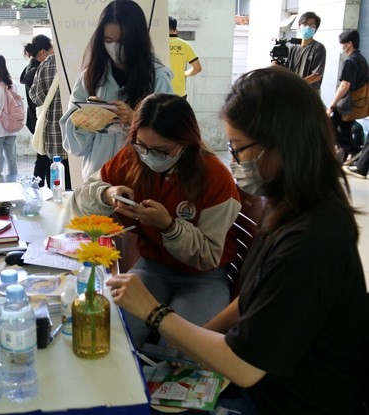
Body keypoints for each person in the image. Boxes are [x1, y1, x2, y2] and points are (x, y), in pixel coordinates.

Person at [107, 67, 369, 414]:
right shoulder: (292, 205)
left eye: (238, 148)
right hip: (265, 383)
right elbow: (256, 298)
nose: (234, 160)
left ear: (281, 144)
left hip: (290, 400)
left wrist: (154, 312)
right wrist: (187, 351)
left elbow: (243, 368)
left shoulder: (311, 241)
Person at [72, 93, 240, 349]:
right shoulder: (131, 158)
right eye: (142, 145)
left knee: (177, 348)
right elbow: (80, 200)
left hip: (203, 277)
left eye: (161, 150)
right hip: (152, 268)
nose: (149, 156)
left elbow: (207, 255)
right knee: (114, 334)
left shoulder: (215, 176)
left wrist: (169, 227)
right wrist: (107, 193)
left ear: (186, 142)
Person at [59, 0, 173, 179]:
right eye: (108, 40)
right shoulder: (91, 77)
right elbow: (75, 147)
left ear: (138, 39)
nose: (115, 47)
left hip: (141, 183)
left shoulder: (158, 78)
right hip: (98, 184)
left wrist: (135, 121)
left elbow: (170, 142)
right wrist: (87, 118)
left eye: (123, 41)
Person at [30, 52, 72, 190]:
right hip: (80, 136)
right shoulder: (83, 59)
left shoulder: (46, 64)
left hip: (54, 135)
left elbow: (36, 97)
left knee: (57, 186)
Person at [328, 29, 369, 162]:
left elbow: (345, 85)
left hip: (346, 103)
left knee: (328, 129)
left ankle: (355, 151)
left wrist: (332, 104)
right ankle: (349, 159)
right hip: (357, 102)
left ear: (349, 44)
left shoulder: (350, 61)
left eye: (343, 44)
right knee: (344, 130)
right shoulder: (362, 59)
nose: (342, 47)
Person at [20, 34, 54, 187]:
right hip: (41, 119)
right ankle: (37, 189)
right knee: (44, 157)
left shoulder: (30, 68)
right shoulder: (37, 70)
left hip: (36, 119)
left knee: (45, 157)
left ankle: (41, 188)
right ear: (43, 52)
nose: (54, 51)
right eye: (52, 48)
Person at [278, 11, 326, 94]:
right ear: (299, 26)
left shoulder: (318, 48)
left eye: (312, 25)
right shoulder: (292, 48)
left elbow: (317, 76)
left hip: (309, 94)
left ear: (316, 29)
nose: (308, 27)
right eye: (305, 24)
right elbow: (285, 71)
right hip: (292, 93)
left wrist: (296, 85)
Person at [168, 16, 202, 98]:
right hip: (179, 94)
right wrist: (183, 74)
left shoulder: (155, 44)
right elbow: (197, 68)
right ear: (175, 30)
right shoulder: (185, 45)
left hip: (159, 94)